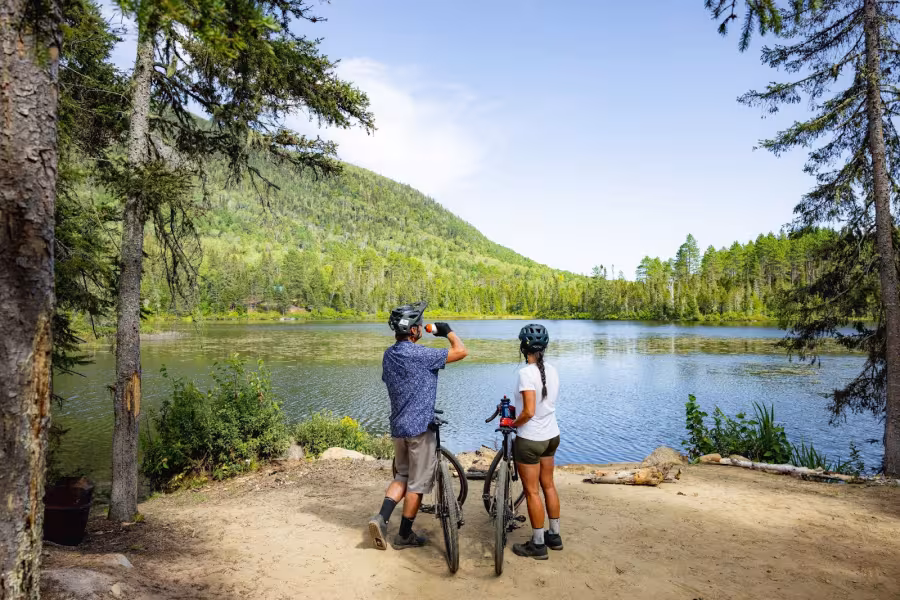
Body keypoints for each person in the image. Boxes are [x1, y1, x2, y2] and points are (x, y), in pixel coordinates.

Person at [368, 302, 468, 550]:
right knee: (417, 484)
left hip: (398, 428)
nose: (422, 327)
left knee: (402, 474)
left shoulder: (388, 355)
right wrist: (447, 331)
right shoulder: (422, 354)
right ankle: (404, 535)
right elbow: (461, 352)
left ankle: (381, 518)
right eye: (419, 325)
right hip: (421, 429)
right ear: (412, 331)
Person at [510, 323, 562, 560]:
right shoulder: (552, 369)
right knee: (548, 485)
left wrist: (513, 424)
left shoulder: (525, 373)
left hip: (530, 439)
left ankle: (538, 544)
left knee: (532, 492)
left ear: (523, 347)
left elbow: (529, 411)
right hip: (551, 436)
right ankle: (555, 536)